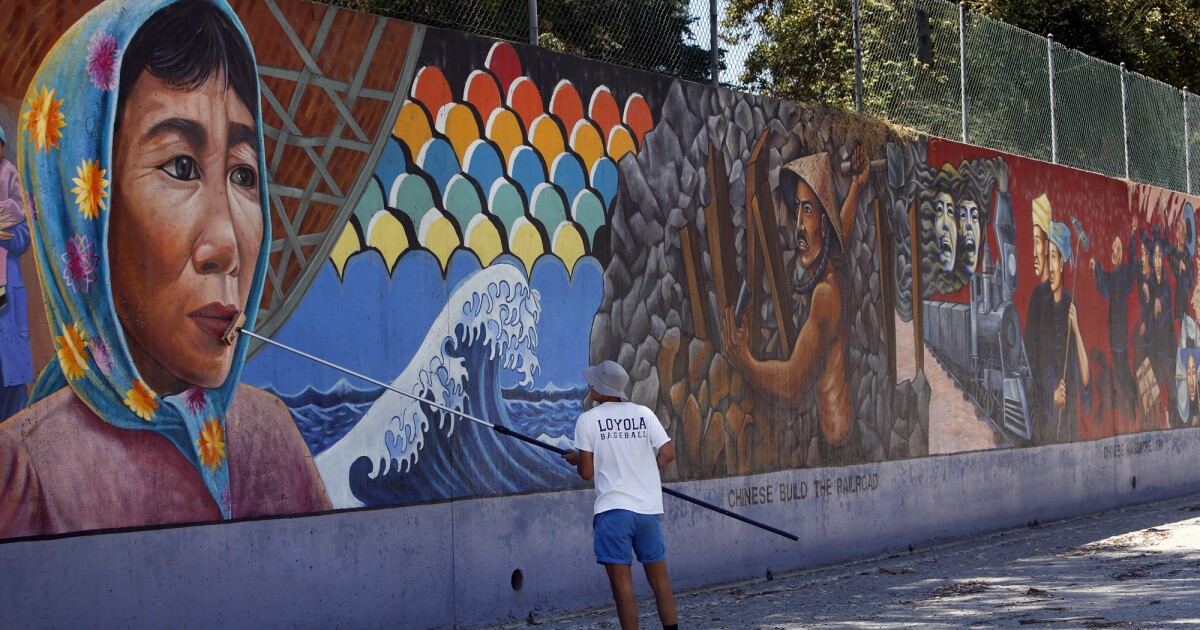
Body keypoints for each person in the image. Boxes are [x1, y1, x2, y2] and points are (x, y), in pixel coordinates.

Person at [0, 0, 329, 539]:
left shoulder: (271, 439)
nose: (227, 244)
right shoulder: (25, 477)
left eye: (244, 175)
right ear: (81, 211)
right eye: (181, 166)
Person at [721, 145, 870, 454]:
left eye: (808, 210)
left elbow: (793, 385)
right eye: (797, 208)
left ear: (823, 223)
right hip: (839, 442)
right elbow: (843, 230)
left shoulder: (825, 295)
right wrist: (856, 185)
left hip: (837, 450)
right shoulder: (835, 262)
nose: (799, 226)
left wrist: (744, 360)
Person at [563, 360, 678, 630]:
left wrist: (577, 459)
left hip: (613, 512)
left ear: (602, 390)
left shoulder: (587, 420)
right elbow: (668, 452)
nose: (590, 386)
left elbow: (587, 473)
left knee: (623, 590)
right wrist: (646, 468)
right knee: (661, 584)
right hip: (648, 512)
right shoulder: (644, 413)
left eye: (594, 383)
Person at [1032, 221, 1091, 444]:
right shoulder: (1040, 302)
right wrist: (1051, 396)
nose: (1050, 262)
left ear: (1063, 263)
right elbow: (1034, 363)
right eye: (1049, 255)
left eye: (1054, 256)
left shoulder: (1070, 304)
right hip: (1046, 420)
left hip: (1070, 422)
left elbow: (1085, 379)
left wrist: (1075, 330)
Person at [0, 124, 33, 422]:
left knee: (11, 388)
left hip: (6, 300)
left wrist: (4, 233)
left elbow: (23, 237)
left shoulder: (10, 178)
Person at [1091, 218, 1138, 419]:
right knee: (1121, 369)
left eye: (1117, 247)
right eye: (1113, 247)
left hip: (1120, 335)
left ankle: (1133, 399)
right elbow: (1103, 284)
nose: (1114, 251)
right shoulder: (1113, 276)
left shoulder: (1125, 273)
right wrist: (1096, 267)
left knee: (1122, 369)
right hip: (1115, 334)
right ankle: (1133, 399)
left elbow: (1133, 265)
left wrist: (1134, 237)